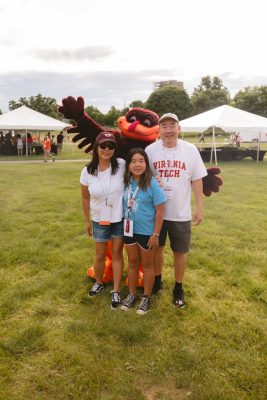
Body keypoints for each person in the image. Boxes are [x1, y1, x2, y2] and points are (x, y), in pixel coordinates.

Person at [145, 113, 207, 308]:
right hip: (157, 212)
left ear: (179, 128)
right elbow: (142, 176)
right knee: (157, 248)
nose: (169, 130)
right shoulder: (150, 150)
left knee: (180, 251)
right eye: (164, 126)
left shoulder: (190, 150)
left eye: (172, 125)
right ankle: (156, 281)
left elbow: (197, 179)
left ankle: (178, 287)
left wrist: (199, 207)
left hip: (180, 212)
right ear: (159, 130)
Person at [80, 132, 125, 309]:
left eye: (111, 146)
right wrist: (87, 221)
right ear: (96, 148)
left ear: (115, 149)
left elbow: (140, 168)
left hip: (119, 218)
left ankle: (115, 290)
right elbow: (85, 198)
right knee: (99, 255)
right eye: (103, 146)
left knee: (117, 255)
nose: (107, 149)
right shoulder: (87, 171)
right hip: (99, 219)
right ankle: (98, 282)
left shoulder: (121, 165)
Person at [121, 148, 166, 314]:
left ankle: (146, 297)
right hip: (129, 230)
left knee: (147, 265)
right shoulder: (127, 182)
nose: (137, 164)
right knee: (132, 263)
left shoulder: (152, 183)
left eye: (141, 161)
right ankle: (132, 294)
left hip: (147, 232)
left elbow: (160, 211)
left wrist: (155, 234)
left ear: (146, 164)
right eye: (133, 161)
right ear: (128, 165)